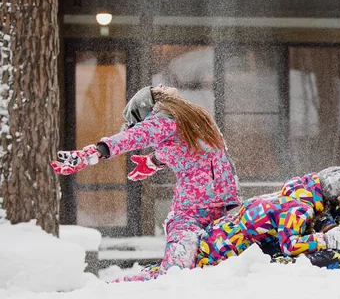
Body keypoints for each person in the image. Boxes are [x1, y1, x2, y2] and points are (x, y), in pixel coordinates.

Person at [51, 85, 240, 282]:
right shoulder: (194, 121)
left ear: (145, 112)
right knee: (205, 264)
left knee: (174, 273)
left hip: (192, 210)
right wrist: (153, 161)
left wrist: (97, 152)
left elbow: (133, 137)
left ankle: (119, 288)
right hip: (221, 205)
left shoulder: (162, 119)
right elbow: (186, 151)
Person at [191, 163, 340, 268]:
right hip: (223, 249)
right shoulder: (299, 209)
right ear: (328, 200)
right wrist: (327, 240)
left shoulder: (297, 192)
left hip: (218, 232)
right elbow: (290, 245)